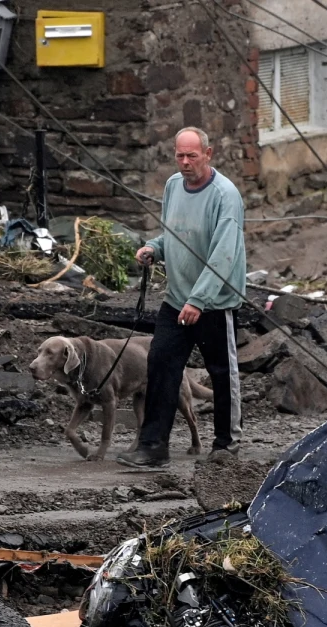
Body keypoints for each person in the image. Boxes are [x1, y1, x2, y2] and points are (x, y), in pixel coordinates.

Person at [117, 127, 245, 468]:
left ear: (209, 153)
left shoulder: (225, 195)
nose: (185, 162)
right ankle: (153, 446)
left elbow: (223, 255)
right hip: (177, 298)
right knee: (160, 365)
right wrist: (154, 248)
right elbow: (174, 234)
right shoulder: (174, 185)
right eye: (180, 156)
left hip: (214, 302)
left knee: (222, 372)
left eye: (192, 156)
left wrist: (199, 301)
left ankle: (226, 445)